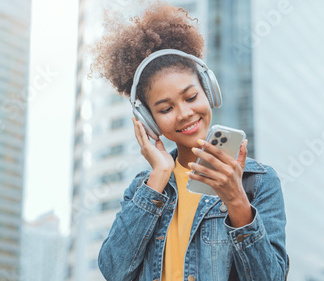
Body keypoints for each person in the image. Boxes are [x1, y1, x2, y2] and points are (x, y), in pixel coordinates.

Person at [91, 1, 288, 280]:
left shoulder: (258, 182)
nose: (184, 114)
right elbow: (114, 270)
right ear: (149, 120)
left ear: (209, 91)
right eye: (166, 109)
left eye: (191, 97)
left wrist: (236, 201)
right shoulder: (142, 188)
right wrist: (159, 175)